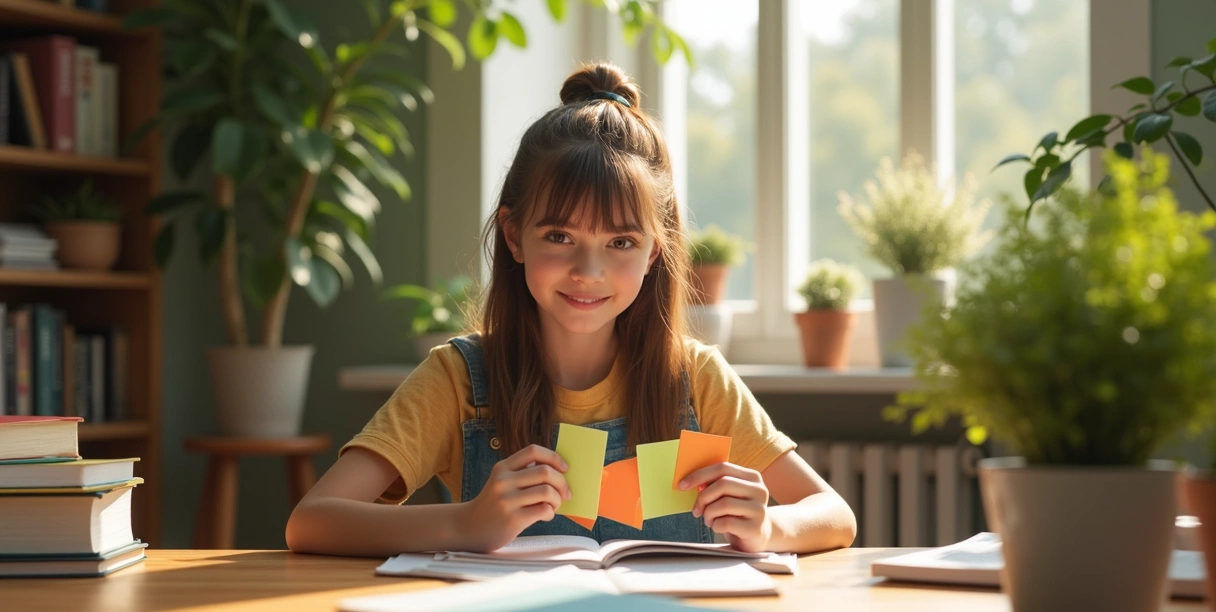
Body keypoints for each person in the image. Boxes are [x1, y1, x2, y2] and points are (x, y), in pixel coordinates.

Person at [285, 62, 856, 557]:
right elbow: (312, 522)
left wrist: (769, 525)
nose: (589, 271)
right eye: (559, 236)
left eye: (621, 243)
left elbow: (833, 515)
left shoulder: (696, 378)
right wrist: (465, 523)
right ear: (513, 235)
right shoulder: (458, 379)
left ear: (655, 251)